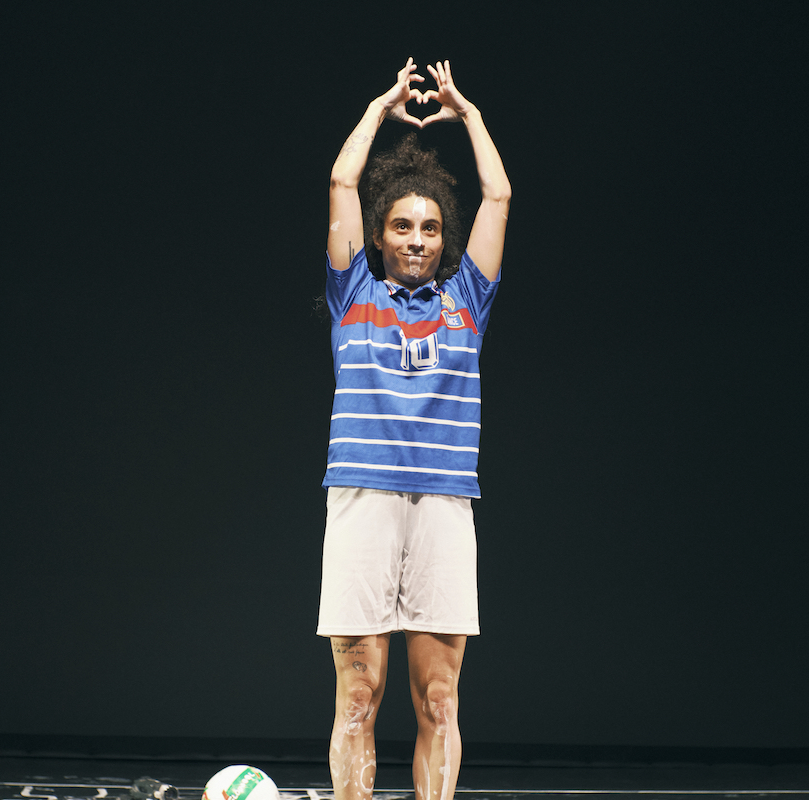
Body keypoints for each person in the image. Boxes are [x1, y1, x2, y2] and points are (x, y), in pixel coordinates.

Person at [318, 58, 511, 800]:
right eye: (402, 224)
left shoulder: (468, 300)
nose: (416, 238)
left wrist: (469, 116)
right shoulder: (352, 293)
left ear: (444, 237)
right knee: (358, 699)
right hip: (363, 500)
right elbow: (341, 183)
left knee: (438, 701)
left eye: (430, 227)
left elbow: (497, 192)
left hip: (442, 505)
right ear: (381, 232)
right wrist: (378, 107)